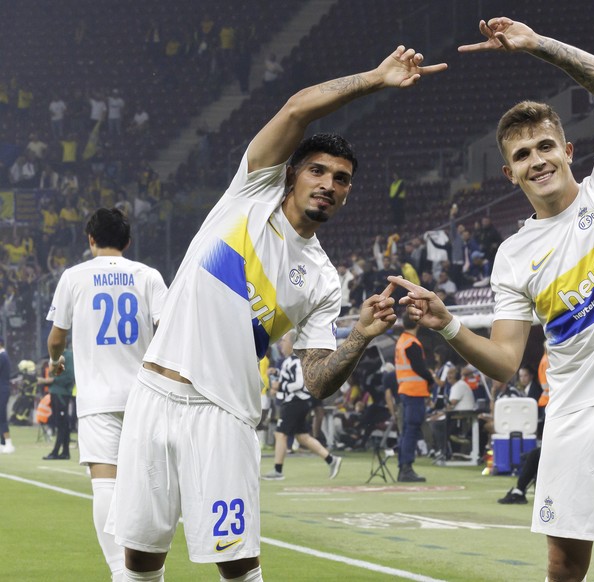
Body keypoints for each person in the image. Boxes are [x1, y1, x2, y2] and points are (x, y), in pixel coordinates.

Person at [110, 44, 445, 582]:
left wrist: (358, 334)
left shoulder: (321, 277)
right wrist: (377, 78)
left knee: (239, 566)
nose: (328, 185)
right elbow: (296, 110)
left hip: (223, 415)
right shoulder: (250, 193)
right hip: (153, 397)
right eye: (318, 171)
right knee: (139, 560)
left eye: (341, 179)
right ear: (292, 174)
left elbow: (315, 381)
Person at [391, 18, 594, 582]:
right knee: (562, 566)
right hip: (571, 412)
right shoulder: (512, 254)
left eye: (545, 145)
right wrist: (447, 325)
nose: (538, 159)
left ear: (567, 149)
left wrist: (537, 47)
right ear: (508, 173)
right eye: (524, 154)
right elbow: (506, 362)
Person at [45, 208, 168, 582]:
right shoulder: (148, 276)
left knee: (105, 484)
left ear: (90, 238)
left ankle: (120, 571)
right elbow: (168, 329)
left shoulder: (73, 277)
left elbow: (56, 338)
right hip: (145, 397)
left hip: (98, 399)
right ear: (128, 242)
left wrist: (55, 361)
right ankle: (150, 570)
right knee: (148, 485)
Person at [262, 334, 342, 480]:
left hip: (295, 402)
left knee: (280, 434)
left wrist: (280, 386)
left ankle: (277, 471)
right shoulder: (289, 361)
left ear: (292, 344)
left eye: (284, 341)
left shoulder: (296, 361)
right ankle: (331, 460)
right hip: (297, 402)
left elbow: (299, 383)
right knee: (302, 437)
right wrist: (278, 376)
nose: (281, 344)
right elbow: (291, 378)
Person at [394, 310, 435, 482]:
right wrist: (431, 378)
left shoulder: (402, 341)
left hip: (405, 389)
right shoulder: (412, 343)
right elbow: (419, 368)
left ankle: (403, 467)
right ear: (418, 323)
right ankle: (406, 468)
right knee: (411, 430)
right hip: (414, 392)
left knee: (406, 431)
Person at [40, 347, 75, 460]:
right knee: (62, 424)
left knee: (61, 424)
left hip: (62, 394)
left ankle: (56, 451)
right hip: (56, 393)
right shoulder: (58, 354)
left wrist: (52, 380)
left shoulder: (68, 356)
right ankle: (65, 452)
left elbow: (69, 377)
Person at [0, 337, 11, 454]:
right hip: (2, 389)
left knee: (2, 416)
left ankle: (8, 442)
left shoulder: (2, 357)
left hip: (2, 390)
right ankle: (2, 443)